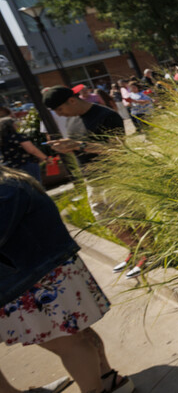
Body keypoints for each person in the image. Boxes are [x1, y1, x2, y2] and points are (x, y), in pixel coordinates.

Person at [0, 166, 133, 393]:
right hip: (44, 275)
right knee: (76, 335)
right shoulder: (11, 183)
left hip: (35, 280)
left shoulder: (6, 190)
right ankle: (107, 379)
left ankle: (99, 387)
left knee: (69, 342)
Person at [41, 86, 123, 165]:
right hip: (88, 175)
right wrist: (65, 145)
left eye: (60, 109)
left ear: (72, 101)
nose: (59, 115)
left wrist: (78, 145)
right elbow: (76, 145)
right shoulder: (71, 118)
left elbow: (118, 150)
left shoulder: (107, 116)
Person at [0, 116, 47, 182]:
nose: (16, 124)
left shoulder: (2, 140)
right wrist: (45, 158)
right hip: (25, 163)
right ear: (11, 125)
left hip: (11, 167)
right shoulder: (18, 136)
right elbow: (32, 150)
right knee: (35, 185)